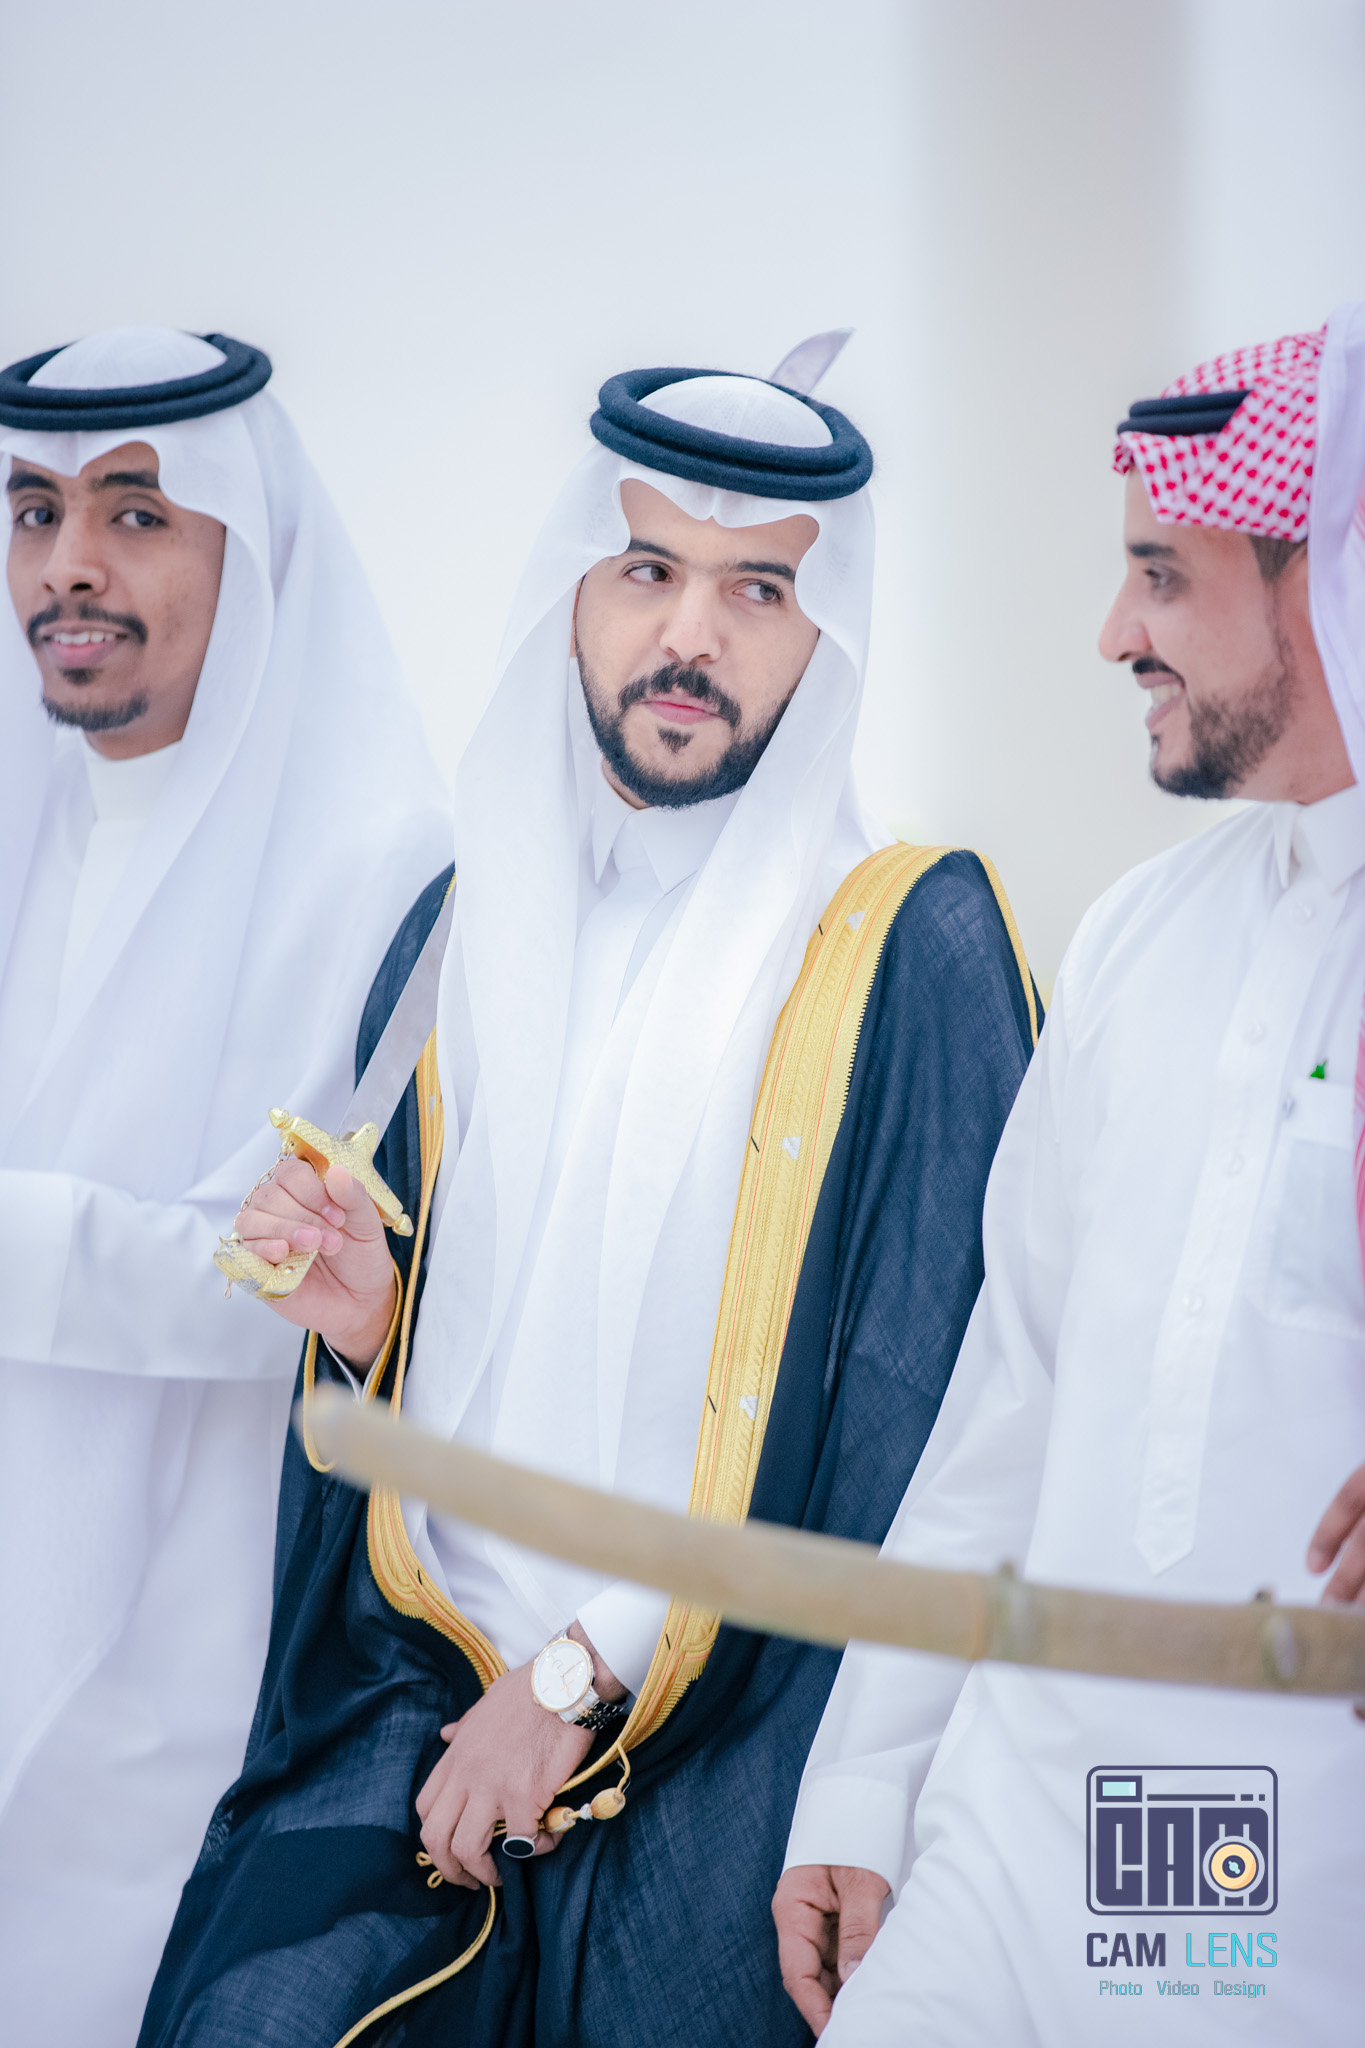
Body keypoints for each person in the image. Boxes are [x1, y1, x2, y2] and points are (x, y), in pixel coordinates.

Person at [139, 359, 1040, 2048]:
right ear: (574, 590)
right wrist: (373, 1331)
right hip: (417, 1696)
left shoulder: (907, 946)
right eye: (646, 570)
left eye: (757, 590)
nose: (689, 635)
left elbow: (922, 1423)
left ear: (824, 634)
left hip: (729, 1736)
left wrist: (580, 1669)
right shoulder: (457, 928)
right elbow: (455, 1393)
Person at [772, 316, 1365, 2043]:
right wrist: (863, 1782)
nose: (1115, 633)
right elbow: (1007, 1400)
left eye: (1161, 578)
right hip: (1014, 1813)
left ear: (1327, 582)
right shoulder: (1134, 936)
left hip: (1293, 1859)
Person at [0, 327, 450, 2047]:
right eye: (35, 511)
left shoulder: (381, 873)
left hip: (185, 1667)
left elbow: (285, 1277)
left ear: (248, 552)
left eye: (137, 513)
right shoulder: (31, 814)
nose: (70, 565)